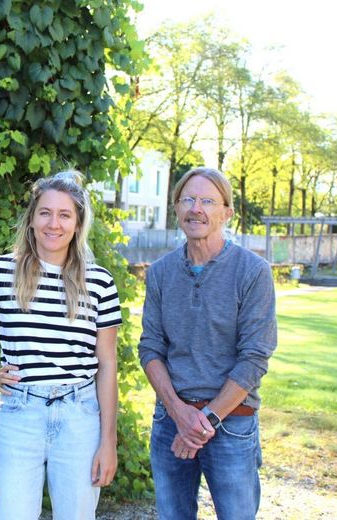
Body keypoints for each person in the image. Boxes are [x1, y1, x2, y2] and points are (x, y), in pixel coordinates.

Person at [0, 171, 122, 520]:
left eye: (65, 215)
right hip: (20, 415)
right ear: (31, 219)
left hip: (79, 417)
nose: (53, 223)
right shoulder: (1, 271)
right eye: (45, 212)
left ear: (78, 224)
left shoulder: (99, 282)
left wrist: (108, 441)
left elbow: (107, 365)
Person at [138, 167, 278, 519]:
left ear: (226, 212)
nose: (196, 208)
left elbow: (255, 357)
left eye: (207, 201)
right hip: (171, 420)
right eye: (188, 199)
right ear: (176, 208)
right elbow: (150, 347)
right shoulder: (160, 272)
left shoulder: (253, 271)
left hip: (232, 422)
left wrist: (205, 420)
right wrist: (178, 413)